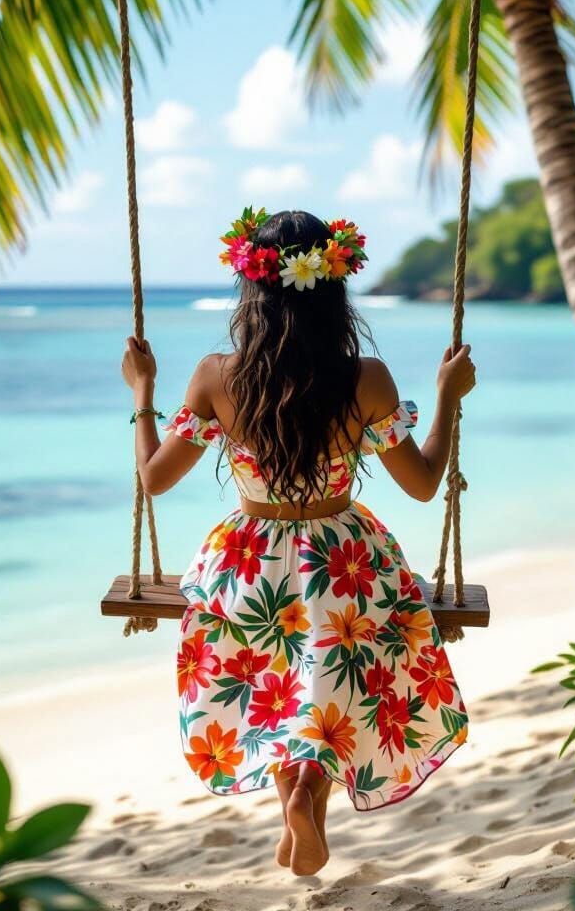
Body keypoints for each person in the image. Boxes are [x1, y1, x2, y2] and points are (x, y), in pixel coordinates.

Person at [121, 208, 476, 876]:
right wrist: (447, 396)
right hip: (344, 564)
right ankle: (308, 797)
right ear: (333, 286)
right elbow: (425, 484)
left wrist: (143, 392)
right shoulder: (365, 379)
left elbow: (154, 479)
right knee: (321, 688)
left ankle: (297, 803)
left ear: (251, 289)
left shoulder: (216, 377)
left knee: (277, 691)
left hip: (247, 565)